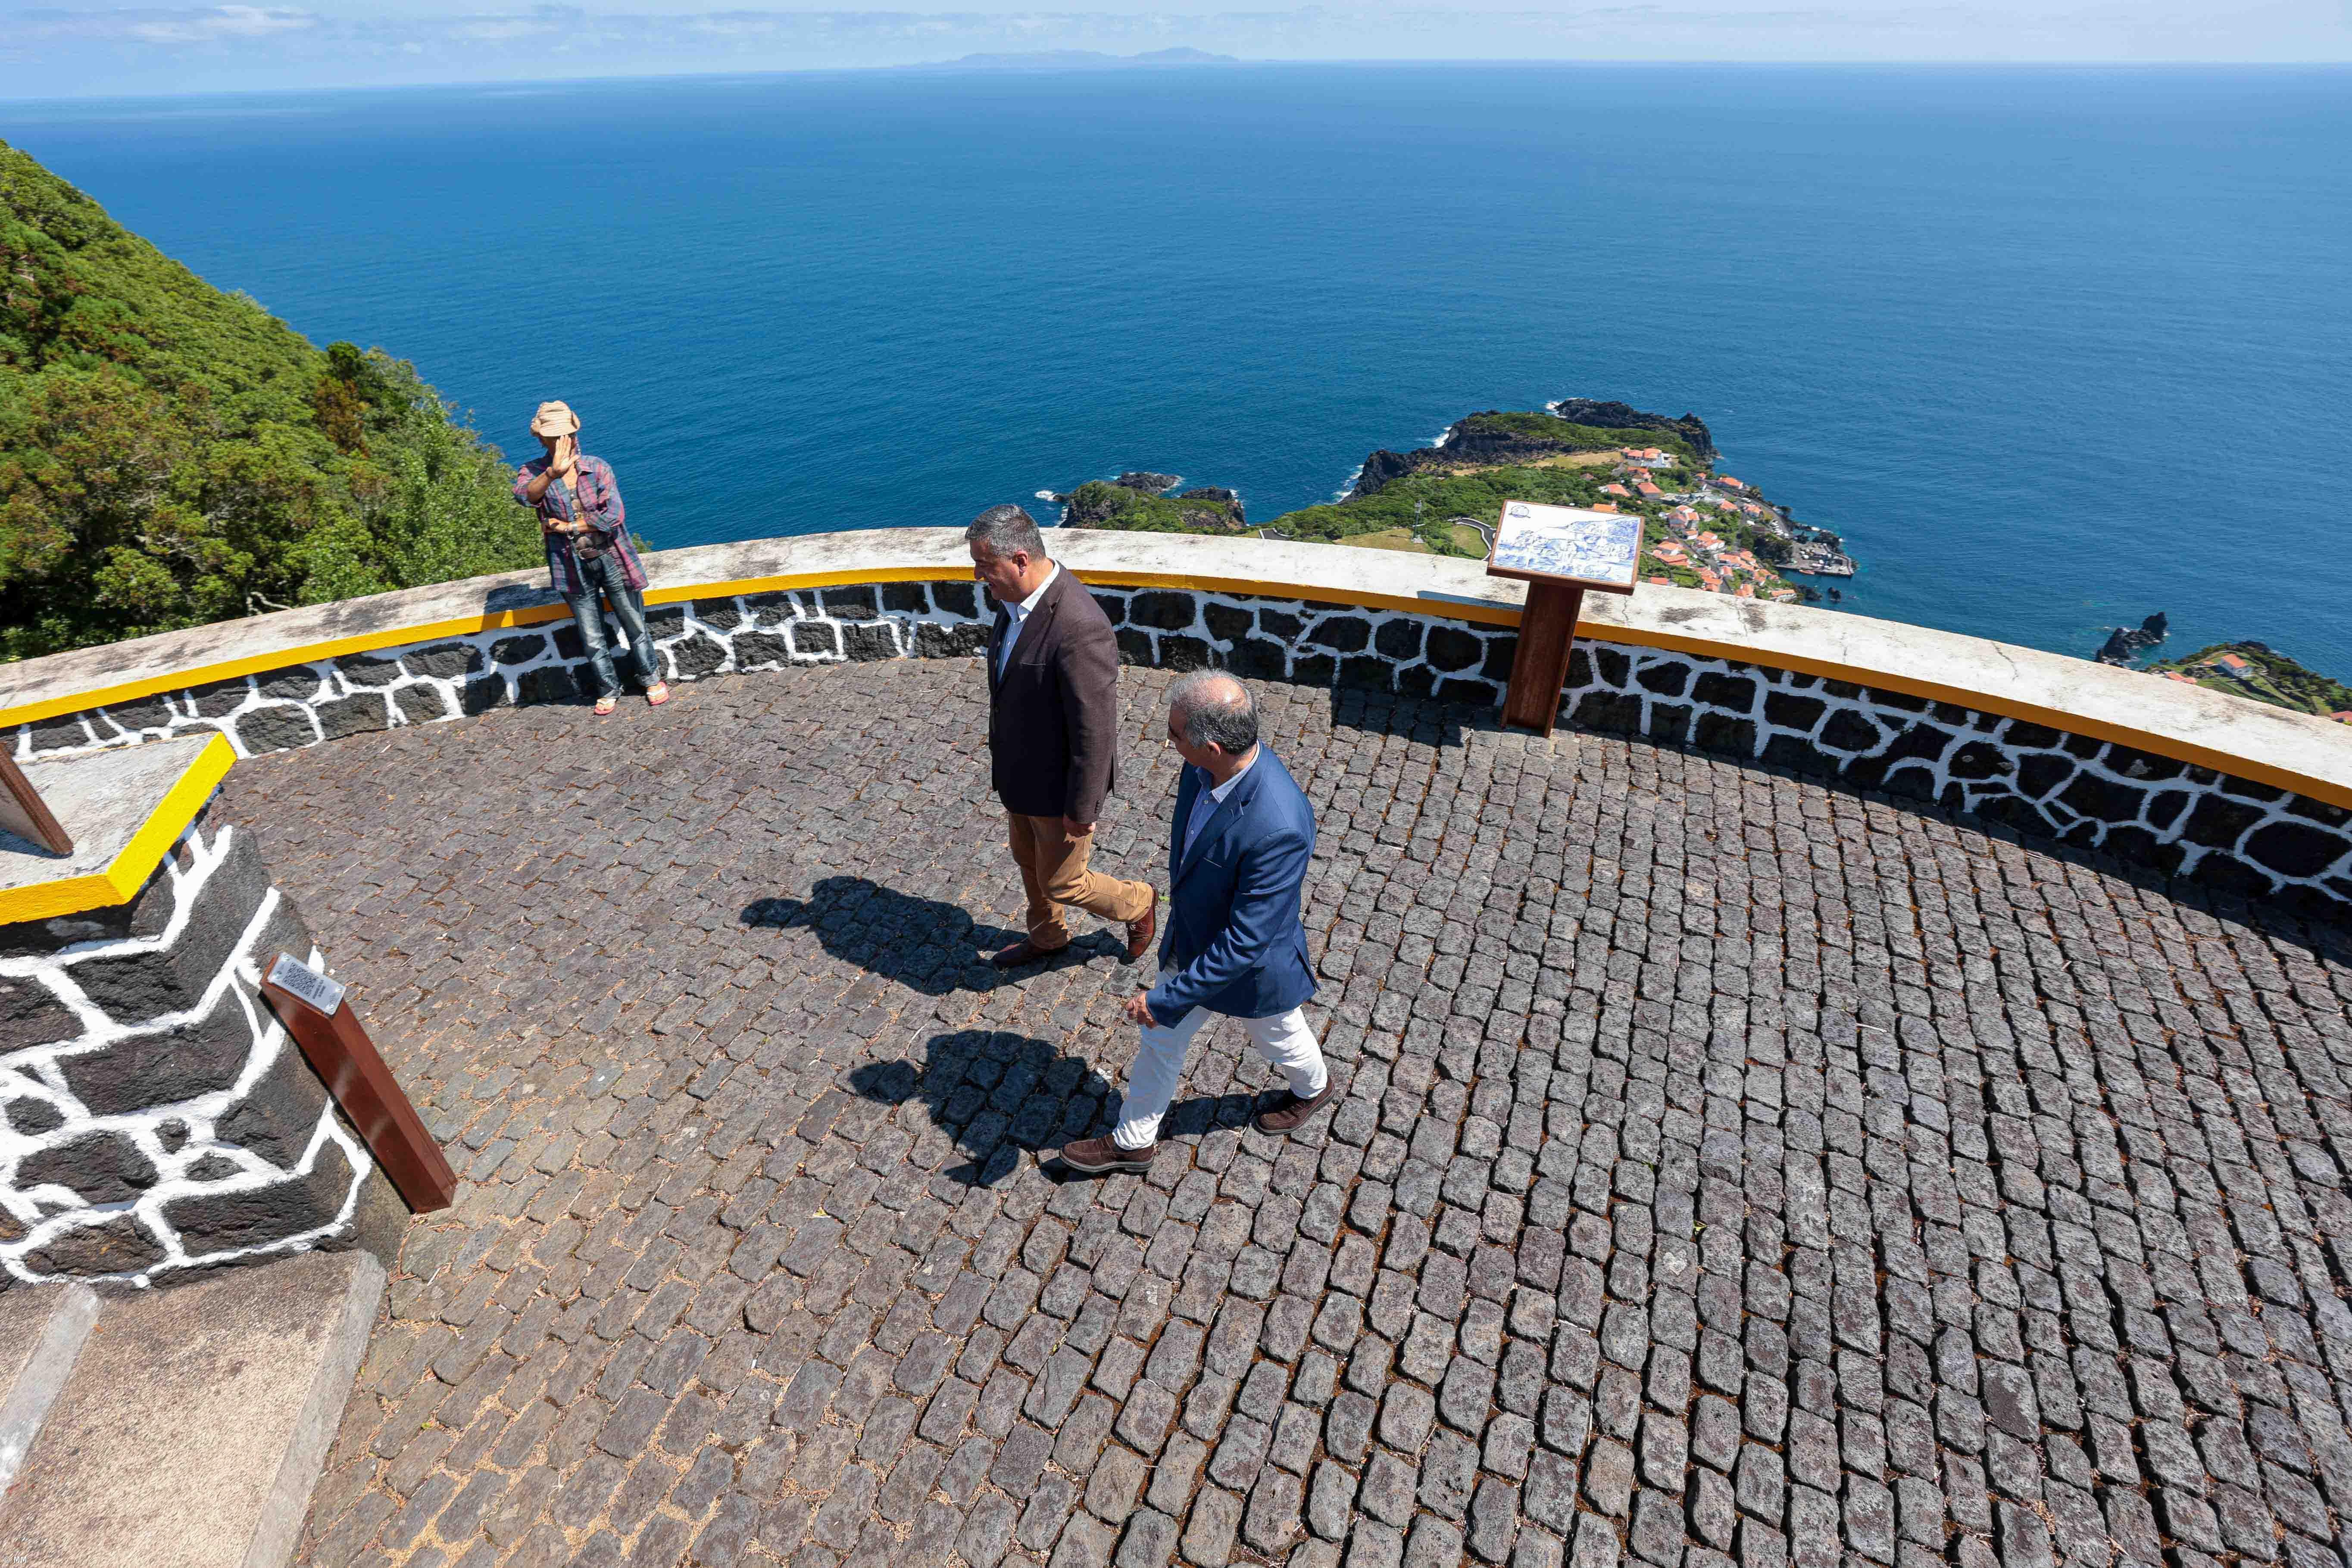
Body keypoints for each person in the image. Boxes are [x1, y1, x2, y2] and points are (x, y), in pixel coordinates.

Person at [1057, 672, 1332, 1174]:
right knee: (1161, 1040)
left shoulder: (1279, 825)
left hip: (1248, 968)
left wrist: (1166, 997)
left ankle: (1315, 1088)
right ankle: (1135, 1140)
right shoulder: (1203, 769)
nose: (1169, 742)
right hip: (1193, 941)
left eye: (1176, 735)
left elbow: (1249, 938)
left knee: (1279, 1035)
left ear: (1211, 746)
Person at [968, 505, 1158, 971]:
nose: (978, 576)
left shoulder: (1079, 625)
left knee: (1064, 882)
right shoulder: (1013, 603)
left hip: (1058, 789)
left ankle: (1139, 902)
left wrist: (1083, 808)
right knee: (1028, 861)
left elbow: (1095, 729)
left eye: (985, 566)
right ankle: (1048, 936)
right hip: (1020, 778)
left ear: (1019, 560)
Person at [512, 400, 669, 717]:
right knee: (591, 634)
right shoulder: (533, 472)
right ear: (541, 439)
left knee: (634, 623)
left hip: (612, 557)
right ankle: (607, 688)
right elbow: (525, 497)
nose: (560, 442)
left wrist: (566, 526)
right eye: (552, 437)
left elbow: (613, 516)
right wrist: (552, 474)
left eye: (564, 435)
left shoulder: (598, 467)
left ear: (574, 434)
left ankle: (651, 678)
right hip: (570, 564)